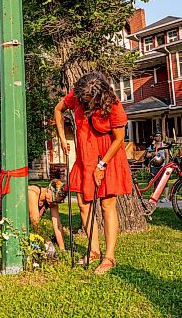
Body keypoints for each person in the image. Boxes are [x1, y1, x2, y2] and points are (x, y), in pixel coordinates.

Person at [54, 71, 132, 274]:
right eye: (83, 99)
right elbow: (58, 109)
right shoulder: (78, 94)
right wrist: (62, 138)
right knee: (83, 203)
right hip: (85, 155)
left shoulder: (113, 104)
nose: (85, 103)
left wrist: (102, 166)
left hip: (108, 155)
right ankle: (94, 250)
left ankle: (109, 257)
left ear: (99, 95)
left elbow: (119, 139)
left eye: (89, 100)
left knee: (107, 204)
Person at [27, 179, 67, 251]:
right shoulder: (33, 192)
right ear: (49, 190)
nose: (54, 203)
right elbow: (35, 221)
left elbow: (57, 225)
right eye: (54, 199)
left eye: (57, 202)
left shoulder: (52, 201)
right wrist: (48, 241)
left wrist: (62, 249)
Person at [145, 130, 170, 202]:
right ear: (154, 137)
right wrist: (153, 153)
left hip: (162, 165)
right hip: (154, 166)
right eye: (157, 136)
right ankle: (155, 197)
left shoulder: (163, 145)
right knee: (155, 181)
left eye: (160, 136)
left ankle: (166, 197)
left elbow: (167, 155)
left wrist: (166, 164)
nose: (159, 137)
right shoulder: (152, 146)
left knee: (164, 181)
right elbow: (147, 155)